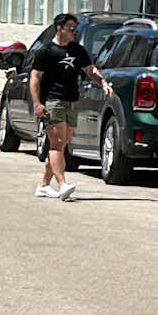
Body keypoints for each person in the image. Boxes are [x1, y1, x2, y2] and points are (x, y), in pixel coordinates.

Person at [29, 12, 113, 201]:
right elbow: (35, 78)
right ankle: (62, 184)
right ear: (60, 29)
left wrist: (103, 83)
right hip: (53, 101)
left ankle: (43, 185)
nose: (75, 32)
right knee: (57, 144)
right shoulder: (46, 51)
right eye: (71, 28)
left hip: (72, 102)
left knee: (60, 145)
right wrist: (37, 103)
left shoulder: (77, 50)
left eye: (76, 29)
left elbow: (90, 69)